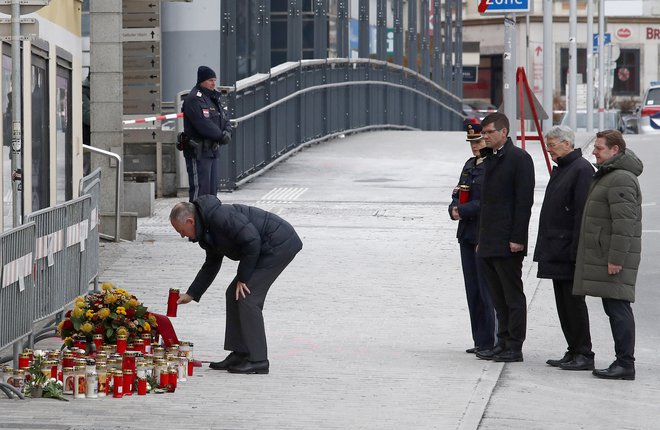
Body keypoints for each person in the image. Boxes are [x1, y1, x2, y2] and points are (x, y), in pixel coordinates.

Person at [170, 195, 303, 374]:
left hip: (278, 243)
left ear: (190, 221)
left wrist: (243, 278)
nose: (182, 235)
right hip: (263, 247)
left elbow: (252, 241)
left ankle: (258, 360)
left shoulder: (220, 217)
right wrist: (191, 294)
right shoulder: (206, 229)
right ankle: (240, 352)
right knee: (233, 293)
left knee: (248, 297)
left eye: (181, 230)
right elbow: (212, 264)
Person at [573, 130, 642, 381]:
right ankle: (622, 362)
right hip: (607, 255)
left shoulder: (621, 178)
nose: (594, 151)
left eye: (599, 148)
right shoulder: (609, 175)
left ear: (615, 150)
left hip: (613, 258)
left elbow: (625, 224)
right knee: (614, 307)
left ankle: (625, 363)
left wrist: (616, 259)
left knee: (618, 308)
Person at [533, 126, 595, 370]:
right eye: (548, 145)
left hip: (568, 250)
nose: (549, 150)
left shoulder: (581, 170)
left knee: (573, 303)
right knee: (563, 303)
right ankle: (573, 349)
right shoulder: (563, 168)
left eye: (553, 145)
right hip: (556, 248)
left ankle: (584, 353)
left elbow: (582, 214)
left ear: (567, 144)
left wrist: (577, 250)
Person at [475, 112, 535, 363]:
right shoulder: (490, 159)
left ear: (503, 132)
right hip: (489, 239)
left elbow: (524, 202)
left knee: (512, 295)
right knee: (497, 296)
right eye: (484, 133)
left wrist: (517, 238)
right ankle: (502, 340)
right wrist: (481, 238)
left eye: (489, 132)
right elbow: (487, 204)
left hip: (508, 240)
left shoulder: (519, 159)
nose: (484, 137)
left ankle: (514, 345)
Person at [449, 123, 496, 354]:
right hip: (466, 233)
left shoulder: (492, 166)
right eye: (472, 143)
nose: (475, 146)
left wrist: (463, 211)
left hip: (482, 233)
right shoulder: (469, 165)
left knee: (486, 289)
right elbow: (458, 192)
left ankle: (490, 341)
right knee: (473, 289)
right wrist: (453, 208)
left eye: (478, 142)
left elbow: (489, 201)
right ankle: (479, 340)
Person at [181, 66, 232, 202]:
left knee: (211, 193)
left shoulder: (214, 98)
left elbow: (225, 118)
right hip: (198, 152)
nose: (213, 83)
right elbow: (203, 123)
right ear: (202, 81)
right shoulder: (194, 99)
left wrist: (227, 131)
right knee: (200, 192)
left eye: (214, 80)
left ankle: (209, 221)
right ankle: (197, 222)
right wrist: (221, 136)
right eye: (210, 80)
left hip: (212, 151)